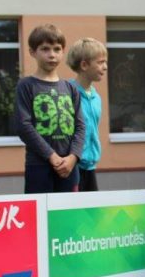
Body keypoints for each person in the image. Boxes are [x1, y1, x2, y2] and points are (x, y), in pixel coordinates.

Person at [15, 25, 85, 194]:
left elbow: (80, 126)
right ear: (33, 52)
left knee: (69, 217)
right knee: (40, 217)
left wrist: (73, 157)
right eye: (45, 49)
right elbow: (24, 126)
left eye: (56, 49)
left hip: (69, 167)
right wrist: (52, 157)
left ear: (63, 52)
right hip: (38, 166)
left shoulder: (71, 88)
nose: (52, 54)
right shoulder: (26, 86)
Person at [67, 38, 108, 192]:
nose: (105, 67)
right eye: (100, 62)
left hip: (90, 167)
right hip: (73, 168)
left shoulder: (96, 97)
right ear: (84, 65)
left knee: (92, 214)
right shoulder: (68, 94)